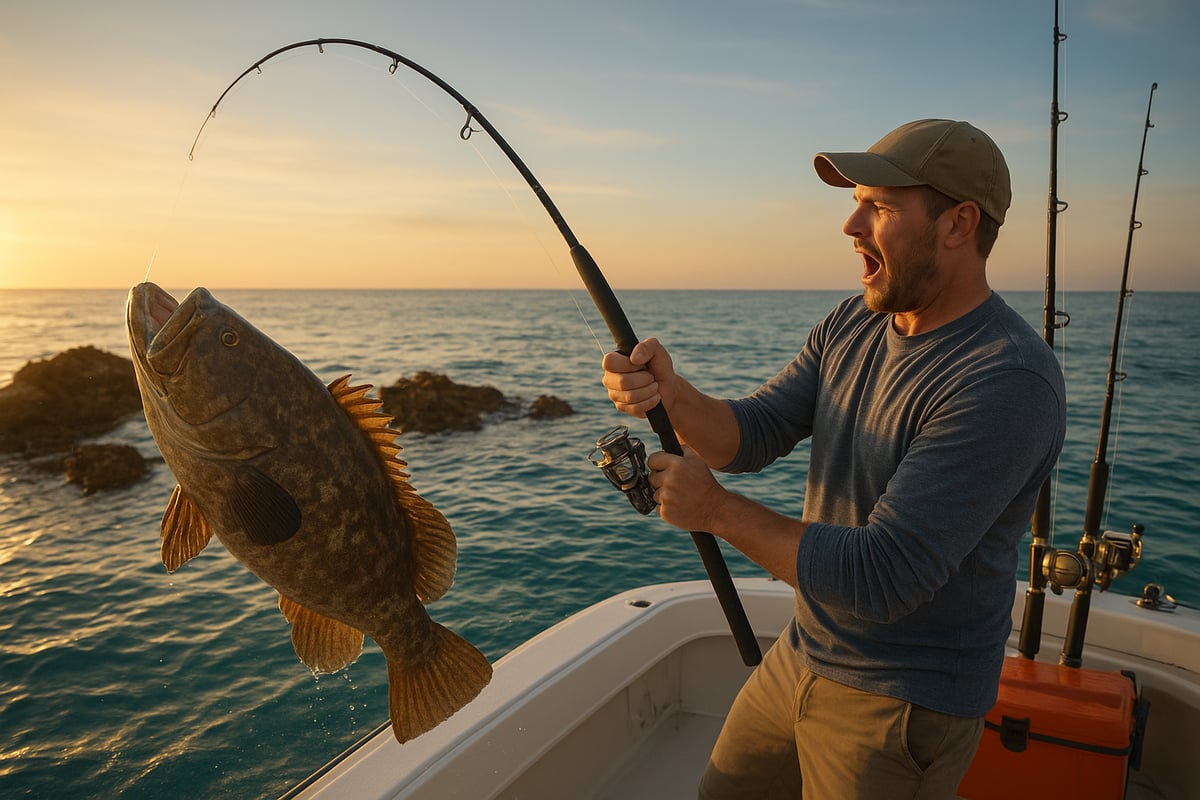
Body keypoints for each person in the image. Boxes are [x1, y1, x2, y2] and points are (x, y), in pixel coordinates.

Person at [601, 119, 1066, 799]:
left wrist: (717, 511)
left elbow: (883, 577)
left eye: (878, 206)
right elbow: (753, 433)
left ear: (958, 224)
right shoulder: (854, 323)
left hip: (903, 702)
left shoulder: (1006, 381)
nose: (850, 225)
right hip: (804, 653)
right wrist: (670, 396)